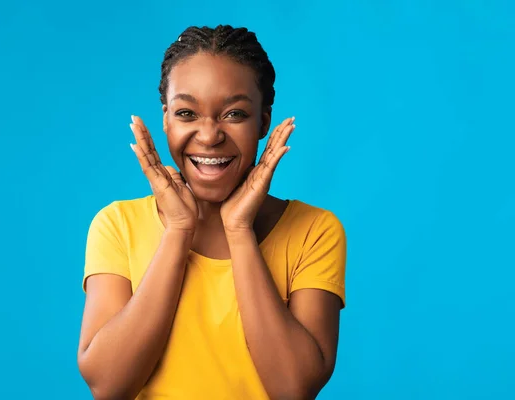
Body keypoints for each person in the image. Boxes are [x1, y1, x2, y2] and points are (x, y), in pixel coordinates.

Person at [77, 25, 347, 400]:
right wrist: (177, 231)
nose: (209, 136)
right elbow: (108, 385)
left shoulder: (314, 230)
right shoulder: (117, 225)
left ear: (264, 122)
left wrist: (239, 230)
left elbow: (294, 389)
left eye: (234, 114)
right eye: (187, 113)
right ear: (166, 118)